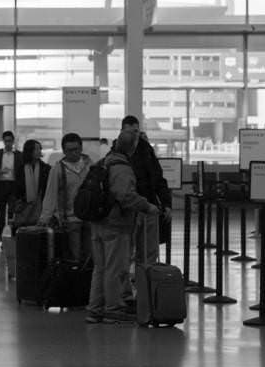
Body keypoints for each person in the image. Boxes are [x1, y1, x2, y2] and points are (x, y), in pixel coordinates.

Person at [86, 129, 158, 324]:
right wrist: (147, 206)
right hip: (115, 224)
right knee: (114, 268)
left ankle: (95, 309)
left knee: (100, 268)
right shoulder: (122, 167)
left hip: (97, 222)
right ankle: (113, 308)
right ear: (133, 147)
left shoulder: (104, 162)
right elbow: (125, 195)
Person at [40, 132, 95, 263]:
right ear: (64, 151)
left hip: (89, 219)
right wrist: (44, 218)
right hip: (69, 221)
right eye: (69, 150)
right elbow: (50, 194)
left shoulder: (90, 165)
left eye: (76, 149)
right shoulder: (58, 169)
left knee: (90, 258)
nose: (73, 153)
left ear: (81, 148)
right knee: (74, 259)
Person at [121, 115, 173, 251]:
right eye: (129, 132)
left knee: (148, 251)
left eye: (136, 131)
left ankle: (145, 272)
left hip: (148, 207)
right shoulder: (116, 152)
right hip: (126, 211)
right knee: (126, 252)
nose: (134, 135)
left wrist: (166, 203)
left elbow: (158, 179)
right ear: (122, 132)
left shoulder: (146, 150)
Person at [11, 139, 50, 233]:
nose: (39, 151)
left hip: (40, 207)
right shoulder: (20, 168)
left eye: (39, 149)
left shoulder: (46, 168)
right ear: (29, 151)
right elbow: (16, 189)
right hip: (23, 208)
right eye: (36, 149)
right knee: (23, 234)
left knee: (38, 234)